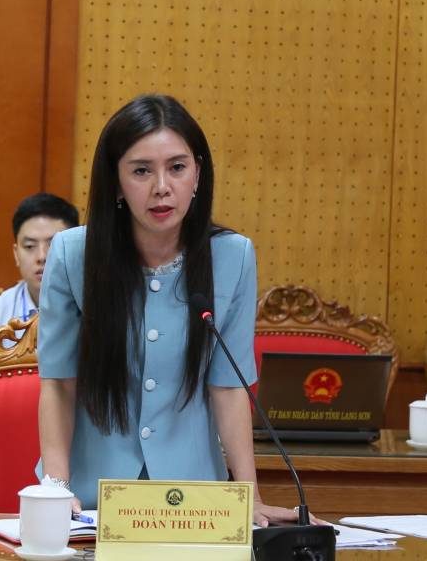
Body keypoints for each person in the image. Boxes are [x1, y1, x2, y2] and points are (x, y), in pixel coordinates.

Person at [36, 94, 303, 526]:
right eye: (141, 171)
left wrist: (248, 497)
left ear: (197, 173)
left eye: (177, 167)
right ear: (116, 181)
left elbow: (228, 387)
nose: (161, 186)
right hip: (89, 499)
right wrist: (56, 486)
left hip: (194, 502)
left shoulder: (232, 256)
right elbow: (59, 383)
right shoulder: (73, 254)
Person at [0, 193, 79, 345]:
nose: (42, 256)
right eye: (30, 246)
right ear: (16, 254)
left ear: (75, 250)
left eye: (54, 245)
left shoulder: (98, 310)